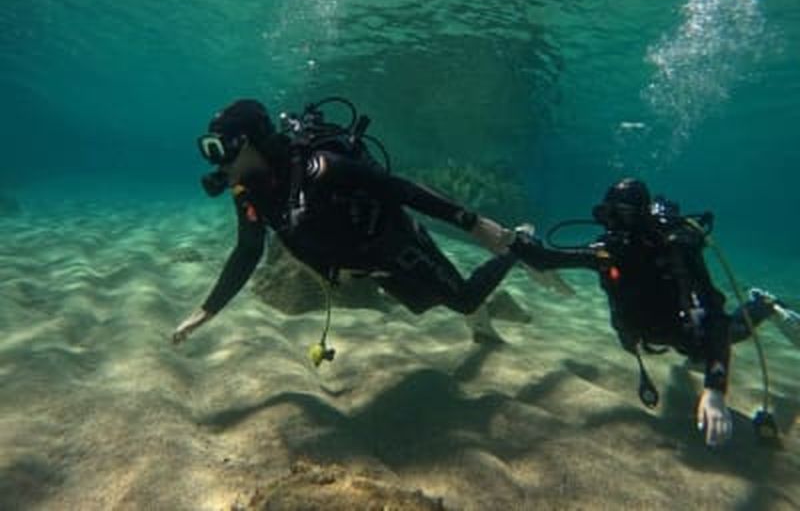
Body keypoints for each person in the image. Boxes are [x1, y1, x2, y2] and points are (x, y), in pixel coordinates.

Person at [172, 98, 521, 351]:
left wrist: (475, 225)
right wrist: (206, 312)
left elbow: (400, 189)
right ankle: (479, 316)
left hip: (396, 243)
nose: (215, 162)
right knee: (424, 303)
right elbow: (248, 251)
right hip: (368, 266)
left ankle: (516, 245)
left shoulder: (318, 166)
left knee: (462, 299)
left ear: (247, 142)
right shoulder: (248, 191)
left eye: (219, 149)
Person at [511, 178, 800, 447]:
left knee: (732, 332)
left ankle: (763, 304)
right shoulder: (605, 253)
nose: (612, 228)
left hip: (685, 330)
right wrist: (519, 239)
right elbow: (548, 259)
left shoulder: (675, 250)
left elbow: (716, 320)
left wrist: (714, 391)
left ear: (641, 217)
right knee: (688, 355)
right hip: (646, 331)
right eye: (608, 215)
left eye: (621, 216)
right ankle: (699, 357)